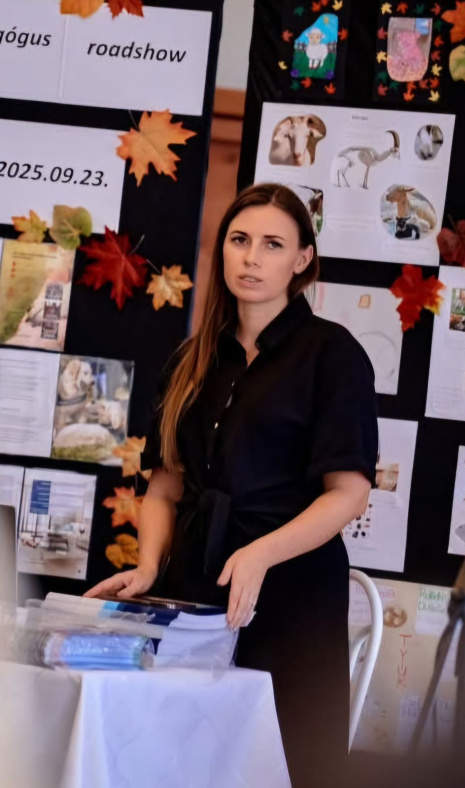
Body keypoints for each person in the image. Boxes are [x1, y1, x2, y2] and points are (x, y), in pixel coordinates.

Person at [86, 183, 379, 788]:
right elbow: (164, 490)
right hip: (194, 592)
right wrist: (148, 567)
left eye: (273, 244)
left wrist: (260, 554)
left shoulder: (333, 354)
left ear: (301, 259)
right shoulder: (190, 360)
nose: (251, 257)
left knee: (287, 762)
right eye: (240, 240)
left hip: (294, 596)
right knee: (181, 758)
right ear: (221, 249)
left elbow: (349, 494)